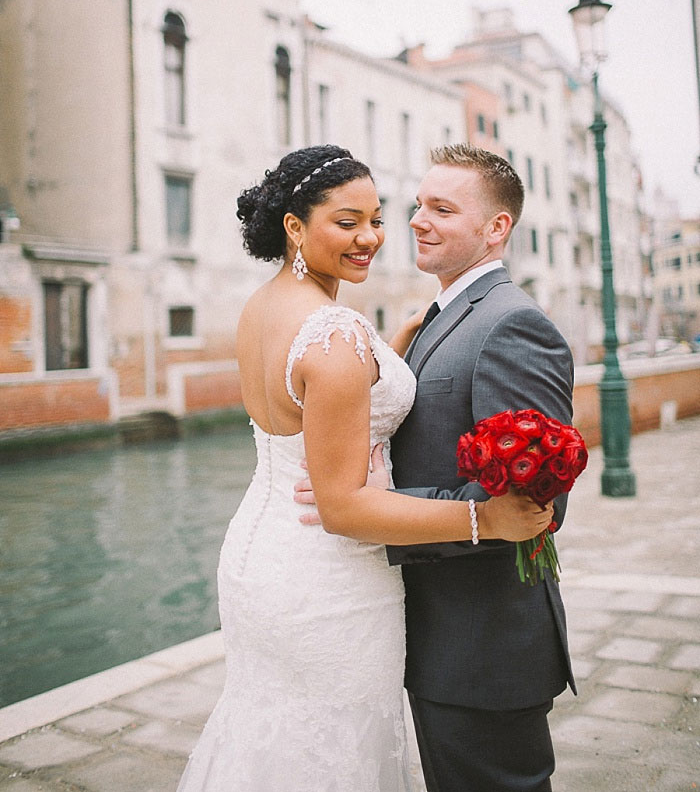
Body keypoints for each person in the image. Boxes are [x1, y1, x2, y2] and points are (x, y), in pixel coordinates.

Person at [176, 144, 552, 792]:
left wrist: (392, 349)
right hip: (329, 585)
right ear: (294, 226)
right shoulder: (336, 335)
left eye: (377, 219)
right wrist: (484, 516)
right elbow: (343, 507)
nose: (371, 238)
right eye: (346, 222)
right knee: (332, 751)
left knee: (272, 734)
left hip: (260, 559)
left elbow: (311, 399)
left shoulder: (261, 309)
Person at [296, 143, 576, 792]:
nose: (417, 221)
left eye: (441, 209)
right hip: (438, 641)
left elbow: (537, 506)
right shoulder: (437, 319)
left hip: (482, 648)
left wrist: (372, 504)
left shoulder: (513, 325)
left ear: (495, 228)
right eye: (417, 205)